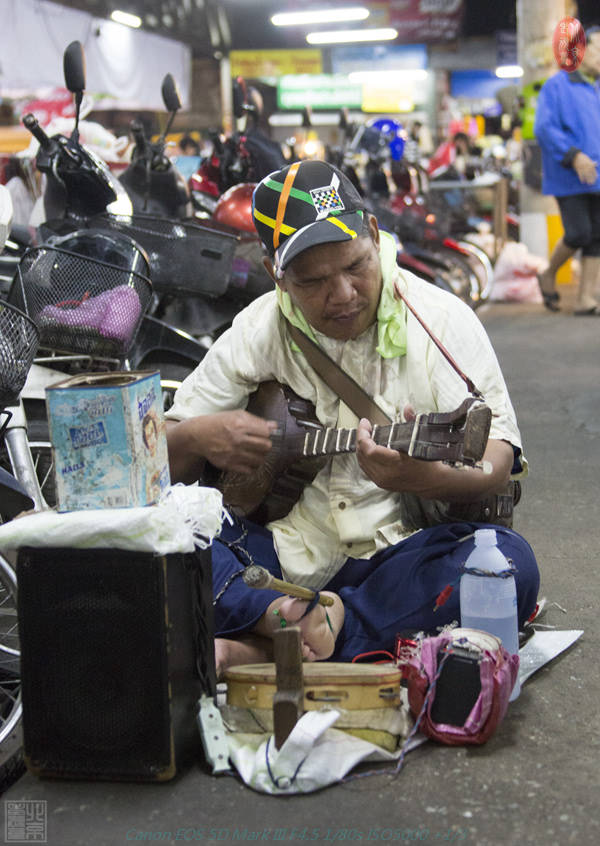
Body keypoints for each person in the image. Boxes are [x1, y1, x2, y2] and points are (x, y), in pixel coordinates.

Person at [165, 160, 540, 677]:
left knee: (508, 566)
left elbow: (497, 458)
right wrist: (197, 434)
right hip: (278, 560)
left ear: (373, 233)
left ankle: (276, 640)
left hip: (397, 562)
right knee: (159, 527)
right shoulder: (259, 327)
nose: (341, 295)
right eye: (313, 281)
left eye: (355, 267)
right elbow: (156, 451)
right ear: (277, 272)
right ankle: (293, 622)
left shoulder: (440, 319)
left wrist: (423, 478)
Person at [534, 24, 600, 314]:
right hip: (569, 177)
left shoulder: (597, 87)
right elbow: (544, 129)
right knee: (578, 233)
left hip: (597, 176)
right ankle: (548, 274)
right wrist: (574, 156)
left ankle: (587, 299)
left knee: (597, 236)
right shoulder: (557, 86)